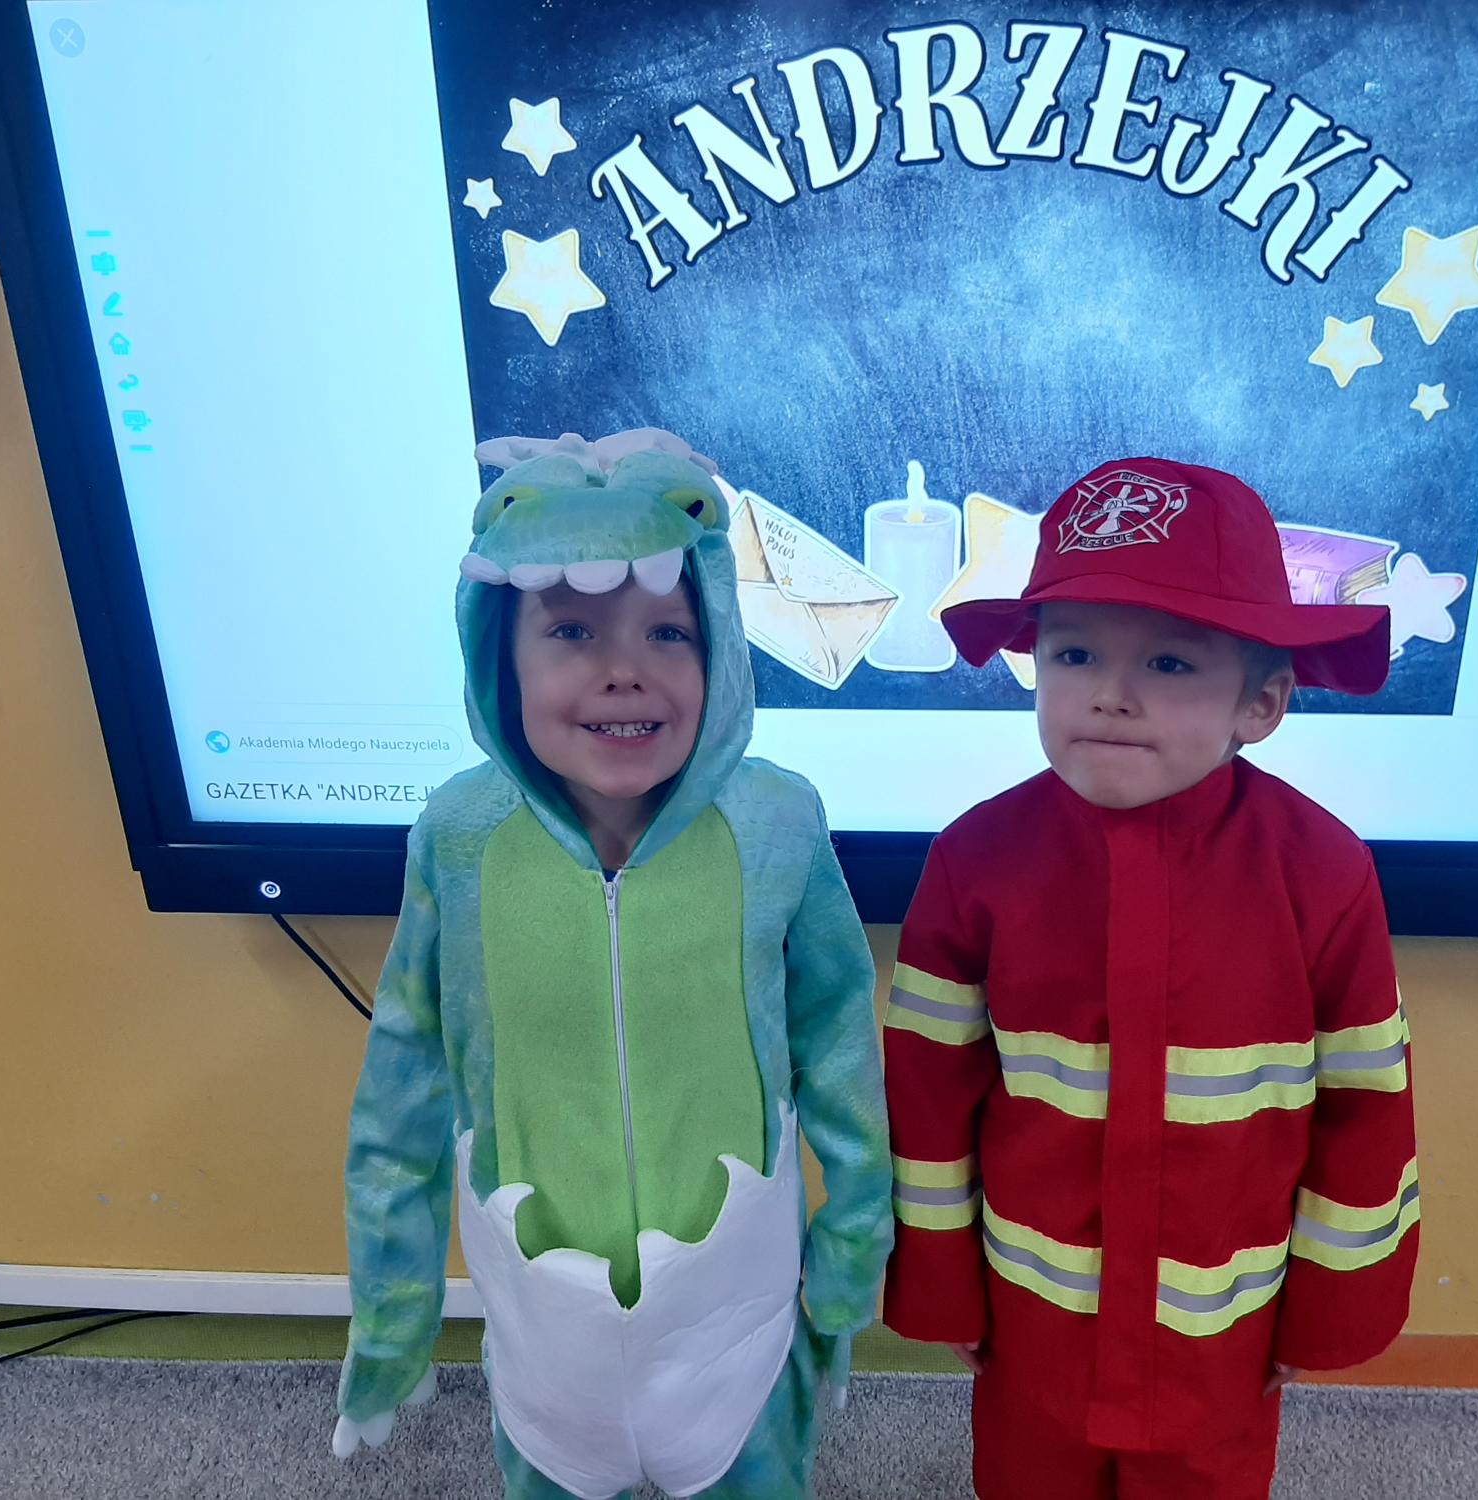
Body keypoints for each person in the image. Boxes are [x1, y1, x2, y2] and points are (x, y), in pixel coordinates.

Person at [332, 429, 891, 1500]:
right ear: (500, 657)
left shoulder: (777, 822)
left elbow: (838, 1047)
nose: (623, 669)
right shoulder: (459, 838)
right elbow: (402, 1089)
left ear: (719, 645)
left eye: (668, 632)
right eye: (572, 631)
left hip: (736, 1325)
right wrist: (392, 1318)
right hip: (546, 1333)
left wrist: (848, 1260)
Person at [883, 456, 1418, 1499]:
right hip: (1036, 1317)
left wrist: (1324, 1308)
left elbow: (1366, 1104)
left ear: (1260, 704)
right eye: (1074, 653)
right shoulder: (974, 860)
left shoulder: (1322, 871)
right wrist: (943, 1285)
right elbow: (927, 1093)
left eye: (1169, 663)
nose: (1110, 695)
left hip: (1221, 1330)